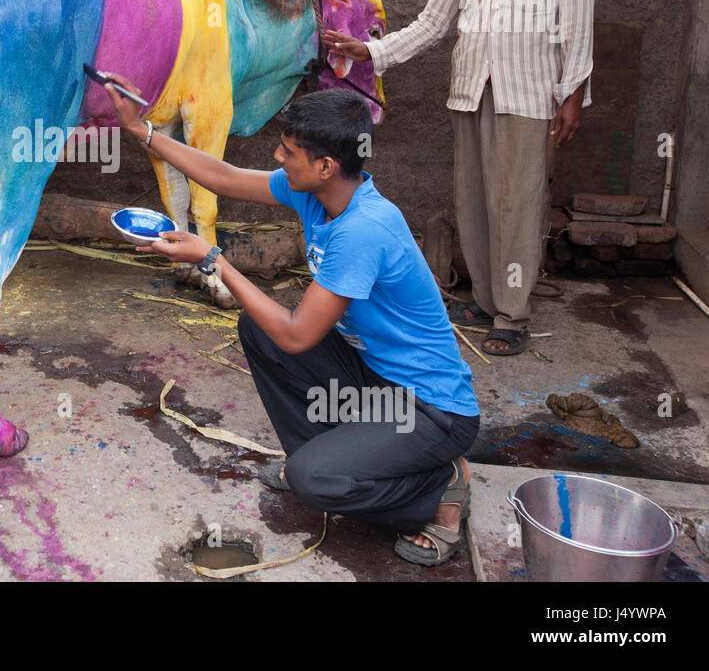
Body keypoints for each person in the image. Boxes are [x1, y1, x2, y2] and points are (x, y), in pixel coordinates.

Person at [103, 78, 480, 565]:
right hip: (374, 379)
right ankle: (325, 459)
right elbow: (222, 177)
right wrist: (142, 131)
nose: (278, 158)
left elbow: (299, 335)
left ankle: (440, 488)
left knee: (314, 481)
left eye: (287, 151)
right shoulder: (318, 193)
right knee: (258, 328)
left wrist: (214, 259)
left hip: (432, 412)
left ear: (325, 165)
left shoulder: (363, 229)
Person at [325, 0, 594, 356]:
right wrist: (370, 52)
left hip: (529, 92)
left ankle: (512, 315)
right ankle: (486, 297)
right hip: (472, 91)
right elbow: (432, 22)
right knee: (472, 202)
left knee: (516, 204)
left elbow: (577, 24)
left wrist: (572, 95)